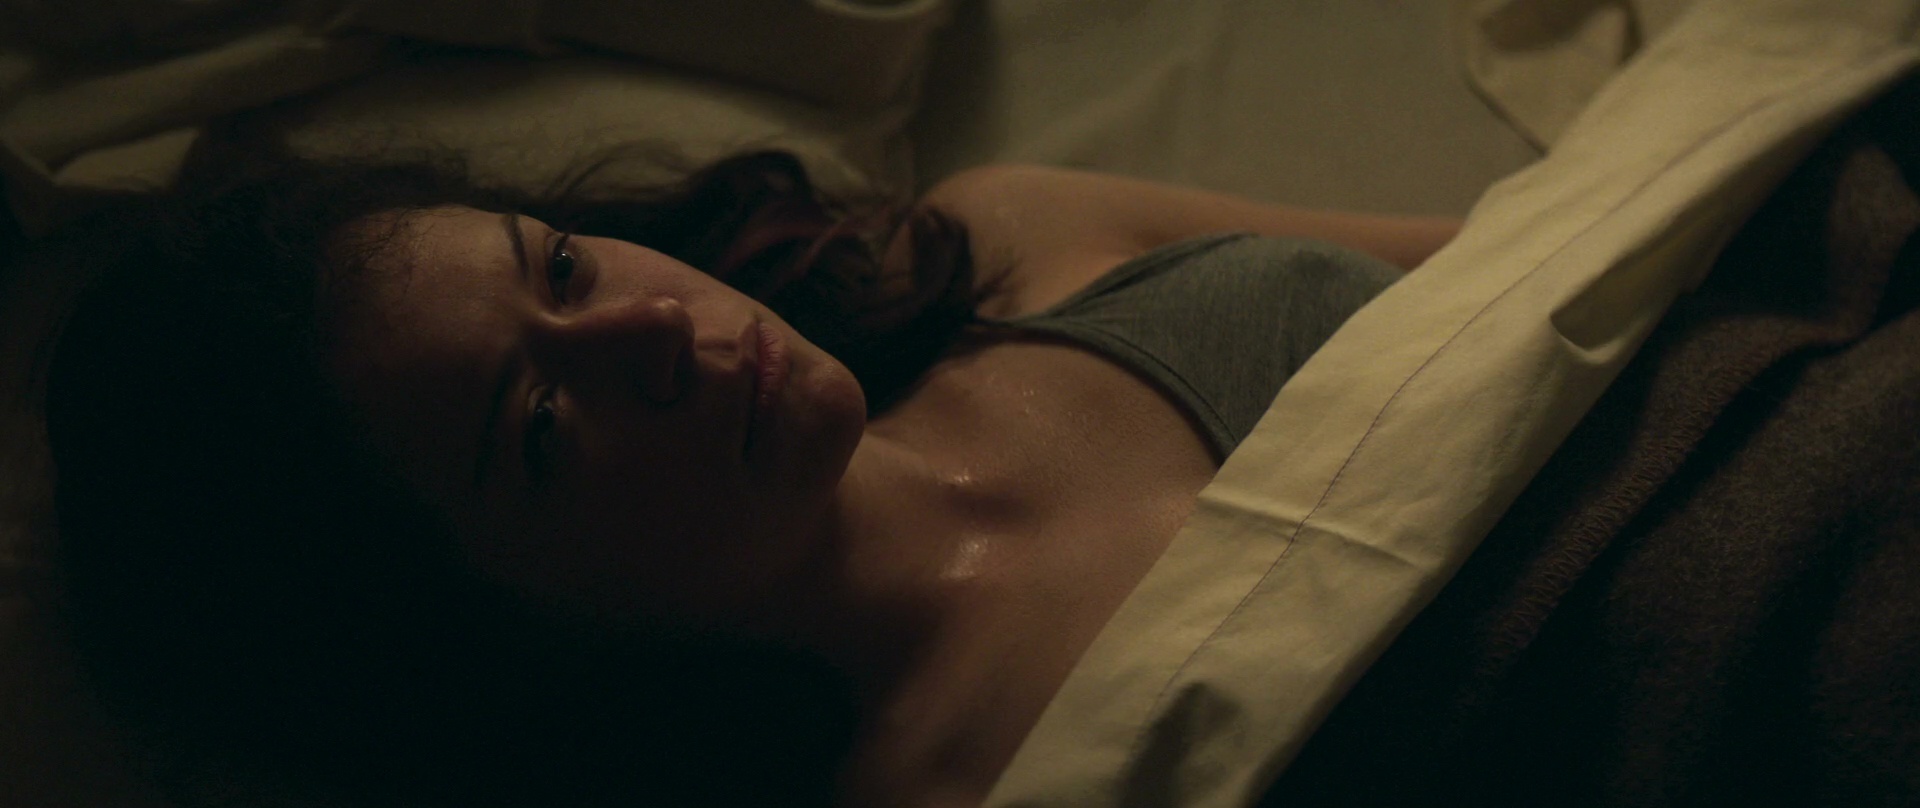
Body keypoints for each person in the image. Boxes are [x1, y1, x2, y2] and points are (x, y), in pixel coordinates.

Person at [40, 122, 1460, 808]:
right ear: (506, 633)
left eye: (565, 268)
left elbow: (1529, 261)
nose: (652, 328)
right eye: (539, 428)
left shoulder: (1015, 236)